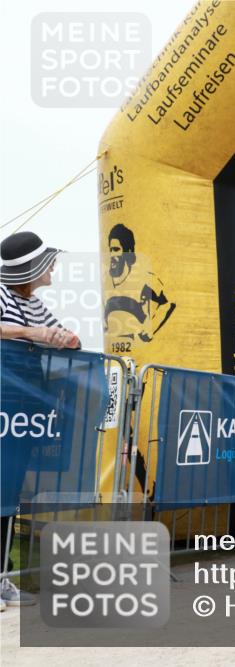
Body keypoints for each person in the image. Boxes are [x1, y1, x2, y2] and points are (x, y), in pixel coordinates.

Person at [0, 231, 79, 609]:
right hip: (4, 407)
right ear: (33, 268)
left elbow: (66, 337)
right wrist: (31, 332)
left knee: (9, 494)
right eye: (48, 261)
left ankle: (2, 577)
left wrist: (65, 338)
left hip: (22, 411)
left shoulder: (37, 304)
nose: (54, 266)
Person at [103, 222, 175, 344]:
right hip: (116, 357)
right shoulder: (106, 281)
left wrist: (150, 327)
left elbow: (168, 303)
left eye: (116, 249)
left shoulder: (143, 278)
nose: (112, 255)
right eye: (110, 250)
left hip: (143, 354)